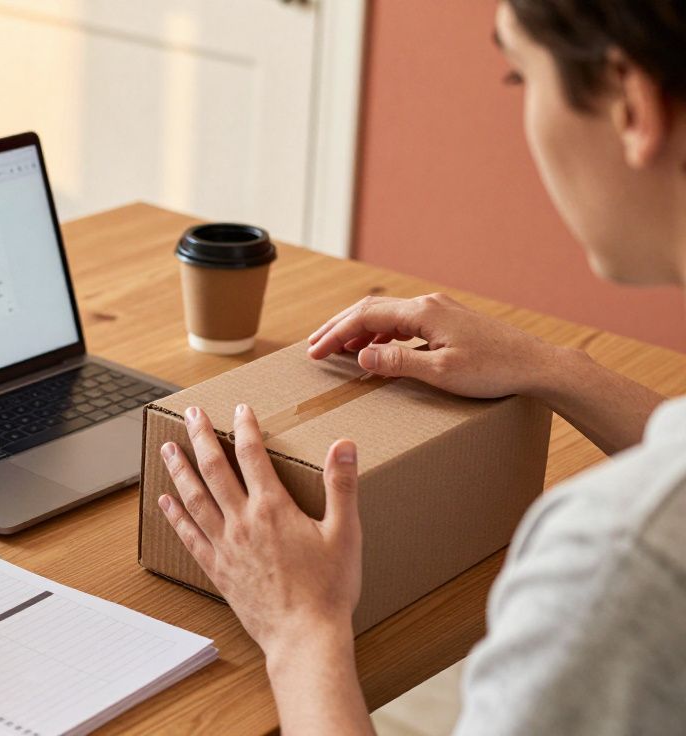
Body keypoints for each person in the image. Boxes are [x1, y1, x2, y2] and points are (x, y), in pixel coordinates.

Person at [156, 1, 686, 733]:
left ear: (631, 104)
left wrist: (301, 629)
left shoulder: (616, 565)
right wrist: (552, 367)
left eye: (519, 74)